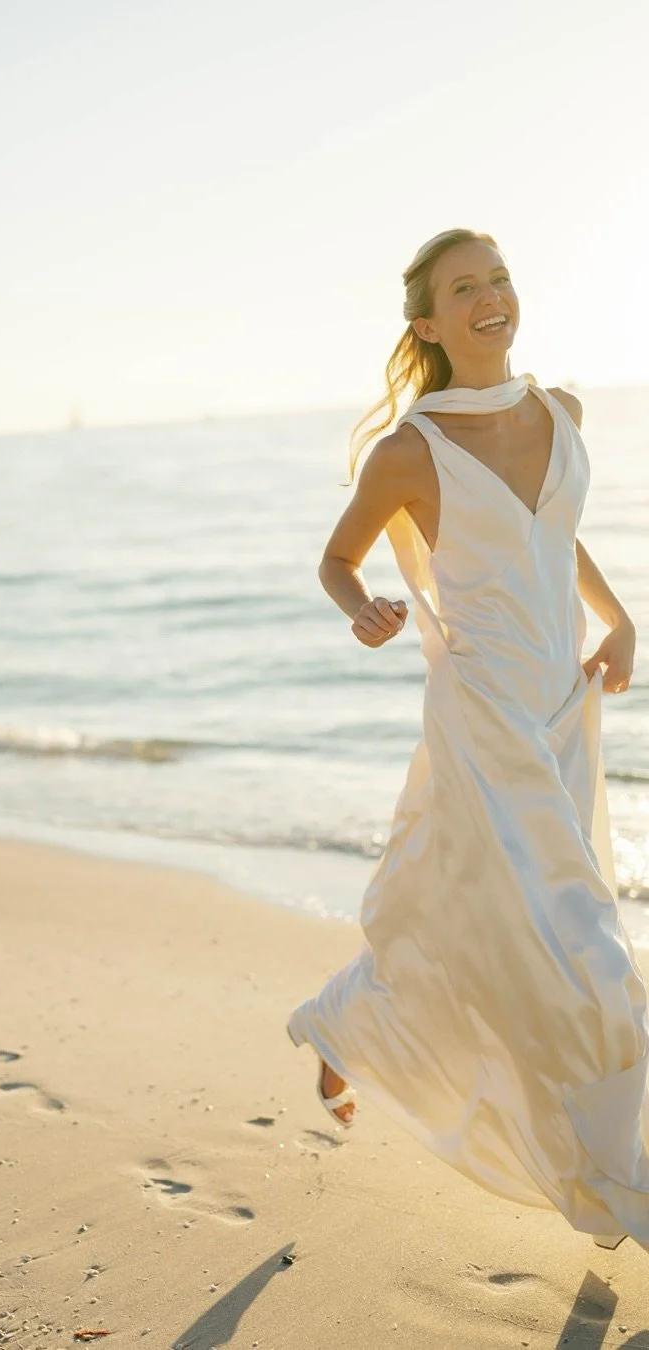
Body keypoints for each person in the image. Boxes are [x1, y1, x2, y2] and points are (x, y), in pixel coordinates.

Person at [287, 229, 648, 1250]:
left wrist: (618, 620)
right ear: (429, 326)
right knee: (586, 954)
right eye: (465, 289)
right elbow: (337, 559)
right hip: (484, 715)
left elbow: (554, 532)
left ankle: (349, 1022)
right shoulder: (411, 449)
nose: (491, 298)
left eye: (499, 278)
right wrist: (363, 607)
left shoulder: (559, 411)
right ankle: (618, 1181)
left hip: (560, 709)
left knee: (474, 919)